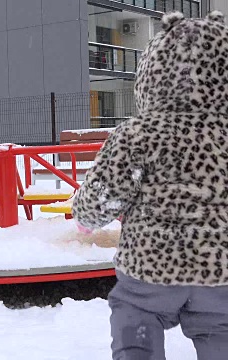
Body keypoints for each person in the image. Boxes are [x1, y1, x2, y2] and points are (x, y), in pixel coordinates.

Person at [72, 11, 228, 360]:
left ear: (151, 75)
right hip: (220, 271)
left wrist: (85, 215)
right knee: (221, 332)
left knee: (135, 320)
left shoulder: (137, 134)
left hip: (150, 268)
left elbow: (104, 194)